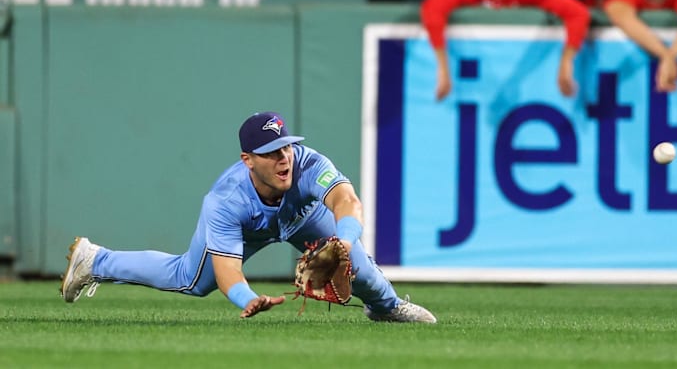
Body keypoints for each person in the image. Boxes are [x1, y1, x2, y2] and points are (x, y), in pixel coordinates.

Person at [60, 111, 437, 323]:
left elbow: (346, 200)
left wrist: (344, 240)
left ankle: (387, 308)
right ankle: (95, 260)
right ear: (248, 160)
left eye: (286, 147)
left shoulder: (308, 164)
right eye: (272, 152)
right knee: (190, 279)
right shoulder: (224, 200)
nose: (284, 157)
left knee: (360, 264)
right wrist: (247, 299)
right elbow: (228, 273)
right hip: (250, 225)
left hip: (301, 218)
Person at [420, 0, 591, 100]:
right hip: (473, 84)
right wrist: (442, 67)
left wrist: (566, 62)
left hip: (524, 88)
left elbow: (578, 13)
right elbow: (433, 7)